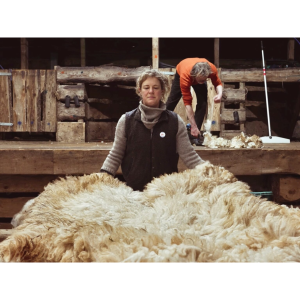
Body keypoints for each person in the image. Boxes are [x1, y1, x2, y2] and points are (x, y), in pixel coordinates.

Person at [100, 69, 205, 191]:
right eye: (146, 87)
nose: (151, 91)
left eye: (156, 87)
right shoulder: (126, 121)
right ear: (140, 91)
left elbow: (189, 156)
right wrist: (102, 178)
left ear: (162, 91)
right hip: (133, 192)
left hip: (166, 192)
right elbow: (115, 155)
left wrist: (211, 173)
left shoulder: (175, 121)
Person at [166, 58, 223, 138]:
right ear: (194, 75)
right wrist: (193, 125)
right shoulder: (185, 76)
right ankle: (160, 124)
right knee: (172, 101)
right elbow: (187, 103)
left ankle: (194, 134)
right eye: (200, 80)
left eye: (204, 79)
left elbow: (218, 83)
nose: (203, 82)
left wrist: (219, 94)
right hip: (182, 69)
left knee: (203, 103)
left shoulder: (212, 69)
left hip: (195, 74)